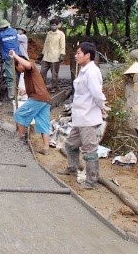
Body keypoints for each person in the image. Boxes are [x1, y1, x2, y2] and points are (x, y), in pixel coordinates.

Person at [58, 42, 108, 189]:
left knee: (89, 150)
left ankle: (92, 180)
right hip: (80, 117)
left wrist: (103, 106)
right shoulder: (83, 70)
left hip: (88, 118)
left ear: (88, 55)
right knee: (70, 144)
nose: (76, 55)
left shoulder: (92, 71)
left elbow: (97, 93)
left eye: (79, 53)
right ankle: (72, 168)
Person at [10, 50, 51, 154]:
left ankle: (21, 139)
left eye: (17, 67)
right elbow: (35, 85)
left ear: (20, 64)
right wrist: (25, 91)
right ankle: (46, 148)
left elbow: (27, 64)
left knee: (19, 114)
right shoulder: (27, 74)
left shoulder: (30, 67)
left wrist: (15, 56)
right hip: (44, 98)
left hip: (38, 98)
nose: (17, 70)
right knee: (43, 122)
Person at [0, 19, 20, 100]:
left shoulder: (1, 35)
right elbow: (11, 28)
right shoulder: (14, 31)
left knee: (10, 76)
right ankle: (17, 89)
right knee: (16, 72)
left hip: (8, 57)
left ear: (2, 28)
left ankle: (11, 95)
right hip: (17, 56)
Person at [39, 19, 65, 92]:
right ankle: (42, 86)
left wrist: (62, 54)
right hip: (46, 56)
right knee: (42, 72)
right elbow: (45, 44)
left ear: (57, 25)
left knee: (54, 74)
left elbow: (62, 45)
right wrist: (42, 54)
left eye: (54, 25)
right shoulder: (49, 33)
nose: (53, 26)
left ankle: (54, 87)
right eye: (52, 25)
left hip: (55, 57)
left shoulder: (61, 34)